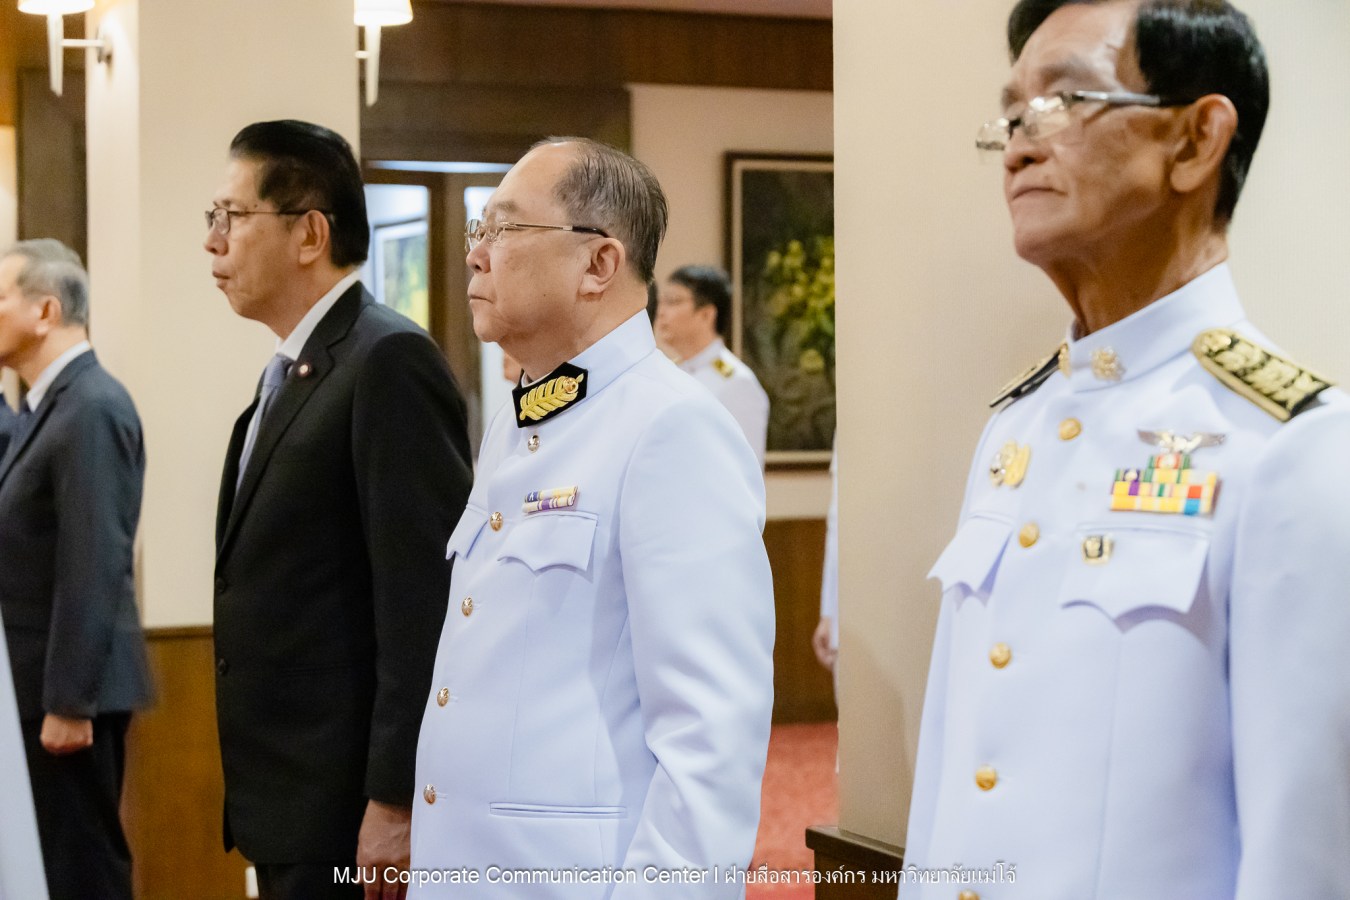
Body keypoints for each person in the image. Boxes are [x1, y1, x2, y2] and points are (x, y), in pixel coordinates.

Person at [903, 2, 1350, 898]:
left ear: (1195, 141)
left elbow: (1306, 850)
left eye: (1066, 100)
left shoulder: (1288, 445)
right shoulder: (1016, 427)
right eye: (1013, 114)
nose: (1022, 144)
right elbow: (956, 771)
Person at [410, 138, 775, 898]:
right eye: (478, 231)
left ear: (599, 264)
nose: (477, 255)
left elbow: (711, 737)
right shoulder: (520, 422)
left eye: (504, 230)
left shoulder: (671, 428)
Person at [205, 120, 474, 900]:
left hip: (346, 805)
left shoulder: (386, 360)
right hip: (288, 795)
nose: (213, 243)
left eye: (232, 216)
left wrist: (394, 798)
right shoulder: (296, 368)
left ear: (310, 232)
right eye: (210, 220)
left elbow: (421, 597)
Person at [0, 238, 153, 900]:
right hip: (35, 686)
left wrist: (68, 701)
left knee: (80, 867)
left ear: (45, 310)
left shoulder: (91, 405)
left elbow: (92, 560)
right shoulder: (47, 406)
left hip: (66, 696)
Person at [656, 265, 770, 467]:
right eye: (662, 302)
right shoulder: (672, 373)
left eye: (673, 301)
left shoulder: (736, 382)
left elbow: (745, 470)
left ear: (706, 314)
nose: (661, 312)